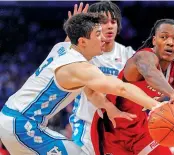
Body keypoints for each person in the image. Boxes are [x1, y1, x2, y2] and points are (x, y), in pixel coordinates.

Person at [0, 13, 162, 155]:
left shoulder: (62, 48)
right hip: (23, 125)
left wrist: (110, 108)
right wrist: (157, 107)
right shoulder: (79, 67)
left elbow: (91, 92)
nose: (103, 38)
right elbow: (121, 88)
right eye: (98, 34)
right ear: (83, 41)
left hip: (12, 119)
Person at [91, 18, 174, 155]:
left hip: (140, 128)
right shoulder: (143, 57)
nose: (170, 43)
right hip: (111, 127)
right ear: (154, 40)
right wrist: (172, 94)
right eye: (164, 37)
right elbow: (150, 74)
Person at [66, 2, 136, 155]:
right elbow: (64, 55)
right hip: (86, 126)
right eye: (103, 22)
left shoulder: (129, 55)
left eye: (114, 21)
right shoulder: (84, 50)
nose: (110, 26)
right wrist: (74, 30)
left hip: (116, 130)